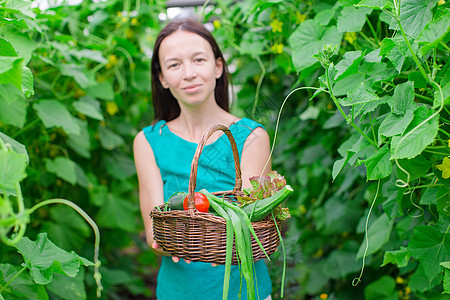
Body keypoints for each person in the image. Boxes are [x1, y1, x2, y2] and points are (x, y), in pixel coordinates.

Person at [133, 18, 272, 300]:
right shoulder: (148, 141)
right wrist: (198, 238)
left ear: (218, 66)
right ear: (162, 78)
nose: (189, 74)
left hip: (246, 292)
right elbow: (154, 236)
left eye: (198, 59)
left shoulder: (252, 137)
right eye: (174, 65)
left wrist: (188, 232)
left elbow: (251, 223)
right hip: (179, 293)